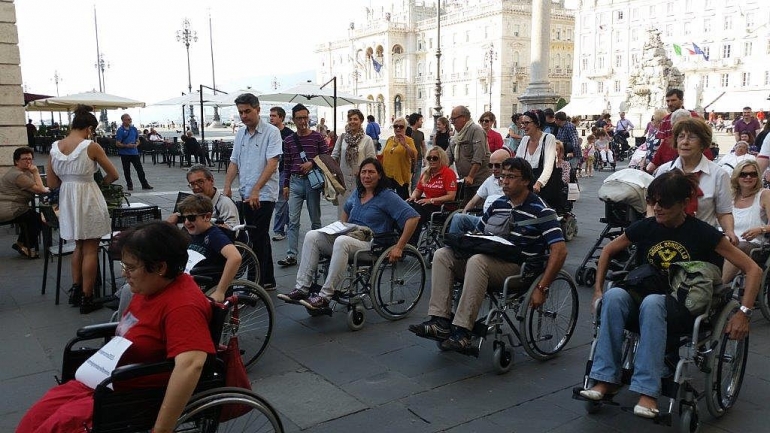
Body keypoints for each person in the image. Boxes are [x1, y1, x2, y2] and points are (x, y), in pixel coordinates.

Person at [579, 170, 760, 419]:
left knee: (653, 303)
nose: (657, 208)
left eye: (664, 203)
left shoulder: (703, 233)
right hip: (646, 300)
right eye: (653, 202)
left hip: (682, 307)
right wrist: (598, 291)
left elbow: (752, 268)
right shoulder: (646, 227)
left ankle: (647, 392)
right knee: (614, 297)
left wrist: (744, 313)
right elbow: (608, 250)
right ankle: (604, 378)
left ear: (684, 203)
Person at [17, 221, 216, 433]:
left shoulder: (182, 306)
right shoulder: (150, 288)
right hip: (105, 377)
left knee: (56, 427)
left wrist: (161, 429)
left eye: (130, 268)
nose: (124, 275)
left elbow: (191, 364)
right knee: (35, 419)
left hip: (130, 393)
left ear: (160, 267)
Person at [409, 157, 567, 351]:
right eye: (503, 176)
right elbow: (480, 235)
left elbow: (559, 251)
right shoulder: (498, 204)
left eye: (511, 177)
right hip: (489, 259)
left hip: (519, 269)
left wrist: (542, 288)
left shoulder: (542, 210)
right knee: (443, 254)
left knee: (478, 261)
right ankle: (440, 321)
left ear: (526, 181)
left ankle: (463, 331)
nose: (505, 181)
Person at [277, 158, 420, 310]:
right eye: (364, 172)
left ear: (379, 175)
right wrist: (341, 227)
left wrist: (399, 247)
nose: (366, 176)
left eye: (371, 172)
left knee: (342, 242)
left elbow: (413, 217)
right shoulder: (359, 193)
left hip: (372, 243)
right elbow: (346, 209)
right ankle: (302, 288)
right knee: (312, 235)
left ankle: (325, 296)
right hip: (350, 238)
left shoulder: (387, 196)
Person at [46, 105, 119, 313]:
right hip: (88, 195)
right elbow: (113, 174)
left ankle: (76, 290)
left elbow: (52, 183)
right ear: (89, 128)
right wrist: (101, 184)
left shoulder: (54, 147)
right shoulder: (90, 146)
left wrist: (68, 182)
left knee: (78, 245)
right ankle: (87, 297)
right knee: (91, 249)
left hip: (68, 197)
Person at [224, 93, 281, 290]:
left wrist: (257, 189)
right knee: (260, 236)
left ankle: (254, 281)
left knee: (256, 237)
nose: (244, 115)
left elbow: (272, 163)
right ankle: (267, 280)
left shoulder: (271, 132)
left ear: (258, 109)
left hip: (264, 194)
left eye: (247, 111)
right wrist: (227, 186)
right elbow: (234, 161)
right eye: (241, 112)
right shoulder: (241, 133)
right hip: (246, 193)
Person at [654, 118, 737, 247]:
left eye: (692, 137)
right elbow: (652, 204)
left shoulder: (719, 174)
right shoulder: (664, 171)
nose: (685, 142)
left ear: (703, 144)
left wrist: (729, 232)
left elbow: (724, 212)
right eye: (681, 137)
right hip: (666, 241)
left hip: (702, 242)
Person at [277, 103, 328, 268]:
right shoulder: (289, 140)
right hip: (295, 182)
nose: (303, 121)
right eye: (299, 118)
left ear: (309, 118)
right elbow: (286, 163)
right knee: (292, 221)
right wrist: (285, 185)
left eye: (305, 117)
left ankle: (319, 251)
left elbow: (326, 157)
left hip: (312, 182)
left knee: (315, 219)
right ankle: (291, 254)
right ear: (294, 120)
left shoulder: (317, 137)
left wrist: (312, 163)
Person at [178, 194, 241, 302]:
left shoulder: (214, 235)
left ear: (207, 217)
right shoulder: (191, 232)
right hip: (192, 280)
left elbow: (235, 257)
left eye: (191, 218)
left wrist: (220, 291)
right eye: (183, 218)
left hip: (208, 284)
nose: (187, 222)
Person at [721, 160, 770, 283]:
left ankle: (720, 286)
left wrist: (760, 229)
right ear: (737, 177)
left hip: (755, 246)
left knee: (737, 247)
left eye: (753, 174)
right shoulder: (730, 197)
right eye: (744, 174)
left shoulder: (764, 195)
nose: (748, 177)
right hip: (728, 242)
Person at [0, 147, 48, 258]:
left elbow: (38, 187)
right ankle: (26, 246)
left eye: (30, 159)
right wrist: (36, 172)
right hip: (9, 209)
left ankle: (21, 244)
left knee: (32, 216)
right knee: (37, 218)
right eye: (25, 159)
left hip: (11, 207)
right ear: (16, 161)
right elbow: (41, 190)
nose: (28, 161)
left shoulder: (21, 172)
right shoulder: (18, 175)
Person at [447, 148, 509, 234]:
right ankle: (453, 246)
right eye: (491, 165)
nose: (494, 169)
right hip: (485, 220)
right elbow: (473, 201)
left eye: (498, 165)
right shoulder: (490, 180)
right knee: (458, 218)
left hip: (503, 223)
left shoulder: (514, 183)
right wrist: (464, 212)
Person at [406, 146, 457, 244]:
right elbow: (418, 190)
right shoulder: (426, 173)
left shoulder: (448, 173)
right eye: (429, 158)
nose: (432, 160)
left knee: (415, 213)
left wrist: (431, 200)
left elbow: (451, 196)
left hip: (441, 208)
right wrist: (413, 197)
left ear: (441, 159)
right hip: (427, 204)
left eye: (435, 158)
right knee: (405, 206)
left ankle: (410, 244)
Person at [332, 108, 377, 219]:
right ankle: (342, 234)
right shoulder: (342, 138)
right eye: (350, 119)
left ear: (361, 121)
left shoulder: (367, 140)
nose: (352, 121)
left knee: (359, 210)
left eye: (355, 119)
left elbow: (372, 160)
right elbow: (334, 156)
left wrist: (362, 169)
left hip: (360, 181)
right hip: (343, 182)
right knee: (343, 212)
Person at [166, 164, 239, 230]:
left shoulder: (225, 203)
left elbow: (234, 230)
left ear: (211, 180)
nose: (196, 187)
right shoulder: (192, 201)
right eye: (192, 184)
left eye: (200, 182)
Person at [515, 110, 561, 211]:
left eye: (526, 123)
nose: (523, 126)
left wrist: (539, 183)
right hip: (526, 186)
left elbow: (548, 165)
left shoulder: (549, 138)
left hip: (544, 187)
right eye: (522, 123)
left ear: (537, 123)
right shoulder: (524, 140)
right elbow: (517, 163)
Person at [647, 89, 701, 173]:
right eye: (668, 101)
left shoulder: (694, 117)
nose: (670, 103)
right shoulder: (665, 120)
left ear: (681, 101)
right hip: (669, 165)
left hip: (692, 164)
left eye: (673, 100)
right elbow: (662, 144)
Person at [449, 105, 491, 202]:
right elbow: (448, 156)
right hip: (465, 181)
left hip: (479, 181)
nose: (452, 122)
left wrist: (471, 176)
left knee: (478, 209)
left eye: (454, 119)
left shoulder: (476, 130)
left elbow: (479, 156)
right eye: (451, 120)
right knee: (465, 208)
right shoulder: (456, 135)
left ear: (463, 118)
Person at [269, 106, 294, 241]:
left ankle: (279, 230)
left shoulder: (289, 134)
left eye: (274, 116)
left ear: (281, 118)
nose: (271, 118)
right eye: (270, 115)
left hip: (284, 170)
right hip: (271, 170)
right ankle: (290, 225)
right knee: (283, 201)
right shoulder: (268, 133)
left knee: (281, 201)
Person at [381, 116, 417, 199]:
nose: (398, 128)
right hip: (387, 175)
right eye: (395, 126)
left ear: (405, 128)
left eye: (401, 126)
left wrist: (405, 145)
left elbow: (413, 155)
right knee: (387, 199)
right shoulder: (389, 139)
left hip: (401, 175)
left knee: (402, 200)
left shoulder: (409, 140)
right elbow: (383, 155)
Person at [115, 113, 153, 191]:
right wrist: (126, 146)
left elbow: (138, 140)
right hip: (125, 154)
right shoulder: (120, 130)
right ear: (123, 120)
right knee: (127, 170)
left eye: (130, 119)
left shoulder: (134, 129)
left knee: (140, 169)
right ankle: (129, 184)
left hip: (134, 152)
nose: (130, 120)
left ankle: (144, 184)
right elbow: (117, 143)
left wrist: (136, 144)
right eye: (128, 119)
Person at [407, 112, 427, 192]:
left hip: (418, 160)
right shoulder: (407, 132)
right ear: (416, 121)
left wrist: (425, 158)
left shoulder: (421, 133)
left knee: (416, 183)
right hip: (408, 161)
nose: (422, 122)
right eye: (420, 120)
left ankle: (413, 200)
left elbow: (423, 146)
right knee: (406, 182)